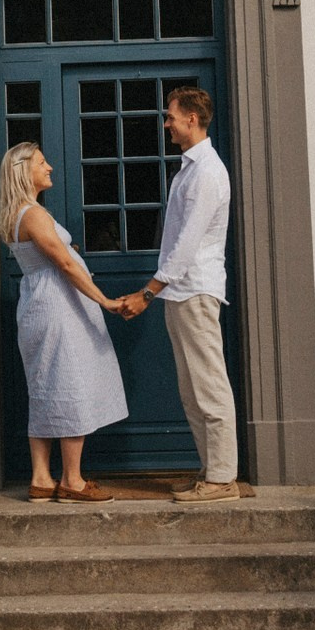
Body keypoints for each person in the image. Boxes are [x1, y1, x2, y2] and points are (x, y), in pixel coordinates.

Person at [119, 85, 243, 502]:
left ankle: (223, 478)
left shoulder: (207, 172)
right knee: (192, 389)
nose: (166, 123)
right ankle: (210, 471)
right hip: (181, 293)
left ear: (192, 118)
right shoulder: (190, 169)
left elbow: (186, 245)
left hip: (195, 291)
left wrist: (147, 293)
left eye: (170, 116)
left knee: (209, 384)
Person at [0, 140, 133, 502]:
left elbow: (49, 255)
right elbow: (65, 264)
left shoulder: (18, 214)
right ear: (23, 171)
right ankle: (72, 480)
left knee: (44, 386)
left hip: (39, 305)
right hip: (58, 309)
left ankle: (41, 478)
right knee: (70, 384)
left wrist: (65, 249)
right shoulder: (34, 214)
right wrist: (104, 300)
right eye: (42, 162)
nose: (50, 167)